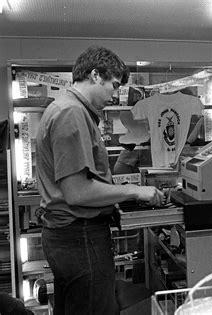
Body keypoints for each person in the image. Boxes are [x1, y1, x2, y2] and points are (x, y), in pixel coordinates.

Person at [36, 46, 163, 315]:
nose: (115, 95)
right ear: (95, 75)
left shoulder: (64, 108)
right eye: (114, 85)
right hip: (79, 236)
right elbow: (77, 192)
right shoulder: (71, 113)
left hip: (68, 236)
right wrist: (134, 192)